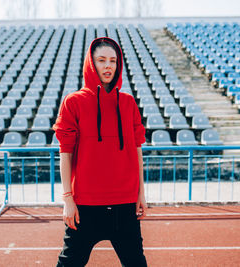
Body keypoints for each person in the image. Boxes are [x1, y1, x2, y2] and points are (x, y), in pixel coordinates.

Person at [53, 36, 148, 267]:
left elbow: (137, 151)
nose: (108, 66)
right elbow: (65, 153)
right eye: (102, 60)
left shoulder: (128, 103)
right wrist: (67, 199)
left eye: (113, 61)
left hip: (124, 205)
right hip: (85, 206)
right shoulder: (73, 102)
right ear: (91, 63)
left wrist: (140, 194)